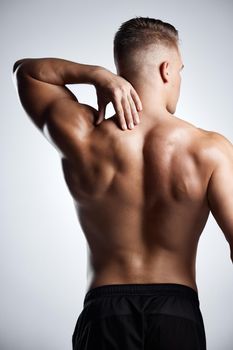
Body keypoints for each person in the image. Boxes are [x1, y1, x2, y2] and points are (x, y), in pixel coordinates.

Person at [13, 16, 233, 350]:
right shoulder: (209, 149)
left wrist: (96, 75)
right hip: (177, 314)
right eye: (181, 70)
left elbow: (27, 71)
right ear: (167, 70)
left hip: (105, 312)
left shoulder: (84, 135)